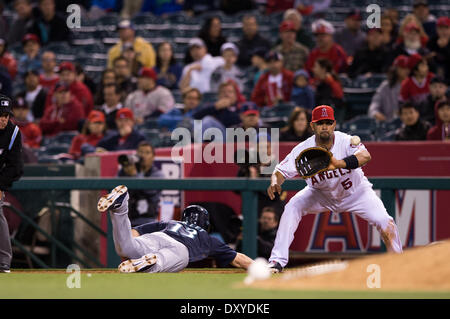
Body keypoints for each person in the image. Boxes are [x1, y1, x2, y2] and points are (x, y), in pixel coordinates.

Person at [266, 105, 403, 273]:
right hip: (320, 194)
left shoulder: (346, 140)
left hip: (357, 192)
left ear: (334, 124)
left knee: (385, 221)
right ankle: (277, 261)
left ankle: (398, 264)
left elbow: (366, 156)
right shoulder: (303, 148)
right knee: (292, 207)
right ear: (312, 126)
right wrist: (275, 182)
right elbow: (279, 171)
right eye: (320, 123)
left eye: (328, 122)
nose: (325, 126)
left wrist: (339, 163)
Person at [97, 187, 253, 273]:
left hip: (158, 237)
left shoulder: (169, 223)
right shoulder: (206, 237)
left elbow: (133, 233)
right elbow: (239, 259)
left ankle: (120, 208)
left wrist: (129, 249)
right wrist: (265, 269)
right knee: (167, 260)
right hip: (180, 248)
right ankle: (152, 263)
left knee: (126, 246)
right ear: (205, 223)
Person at [0, 95, 24, 273]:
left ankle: (3, 262)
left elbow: (15, 166)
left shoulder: (13, 132)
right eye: (0, 115)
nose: (3, 119)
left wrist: (1, 187)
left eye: (6, 115)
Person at [117, 141, 165, 226]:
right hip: (127, 219)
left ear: (153, 157)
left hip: (147, 221)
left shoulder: (158, 174)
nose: (143, 155)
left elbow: (149, 190)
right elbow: (115, 187)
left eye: (147, 153)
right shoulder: (128, 171)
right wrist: (125, 173)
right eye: (141, 152)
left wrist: (135, 175)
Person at [368, 55, 410, 122]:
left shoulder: (411, 85)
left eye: (408, 68)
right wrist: (375, 113)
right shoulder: (385, 86)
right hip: (388, 124)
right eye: (403, 68)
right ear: (395, 69)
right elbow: (375, 104)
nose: (406, 71)